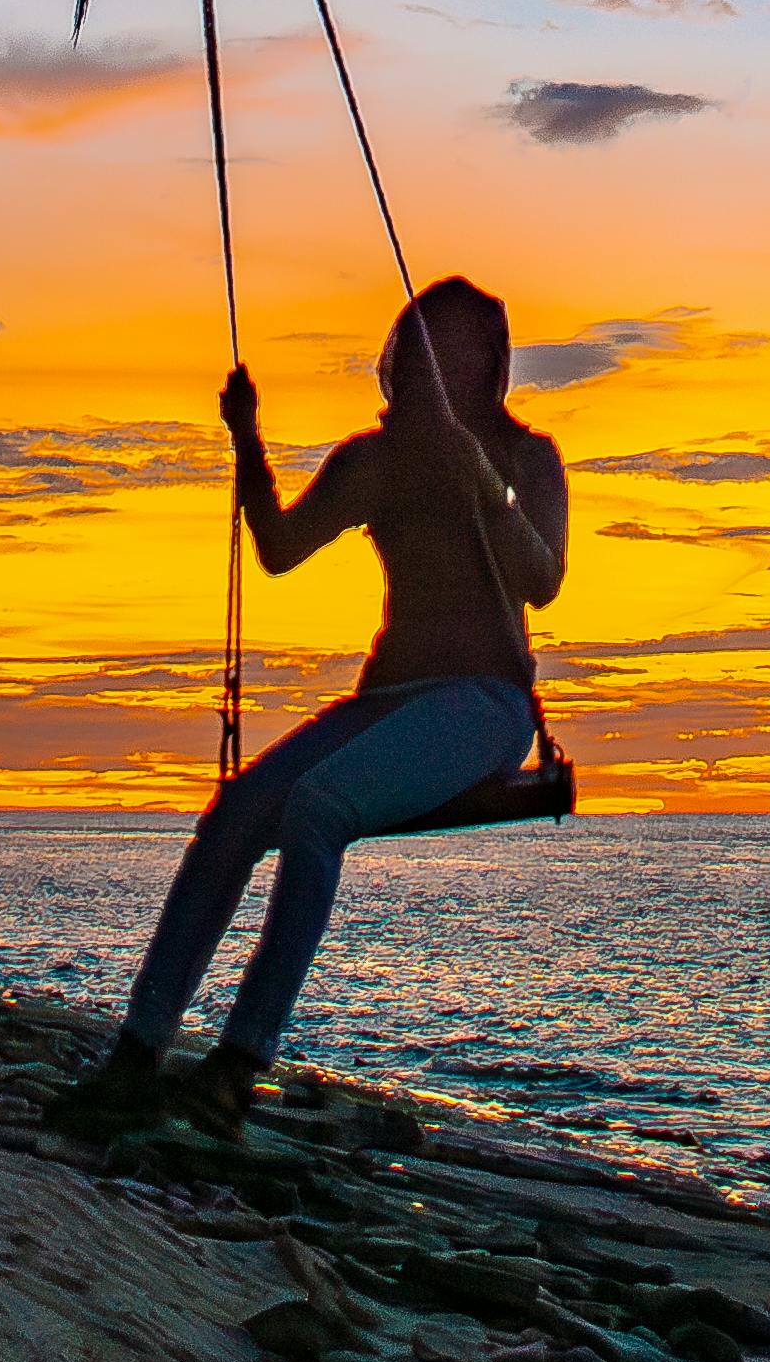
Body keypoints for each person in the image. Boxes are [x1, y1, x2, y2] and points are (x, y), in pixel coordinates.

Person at [51, 274, 569, 1135]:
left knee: (317, 807)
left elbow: (542, 580)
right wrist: (248, 440)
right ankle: (137, 1054)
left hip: (485, 703)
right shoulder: (377, 461)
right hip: (387, 698)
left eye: (459, 353)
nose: (438, 368)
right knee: (233, 815)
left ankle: (236, 1066)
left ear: (489, 368)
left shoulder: (526, 459)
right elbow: (281, 547)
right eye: (426, 351)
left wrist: (481, 481)